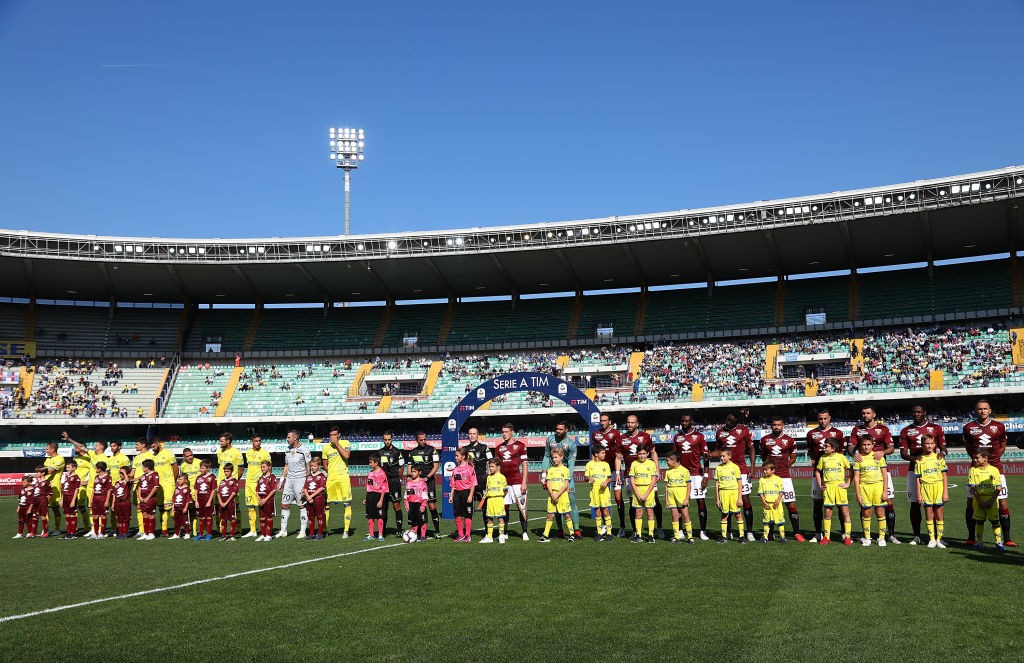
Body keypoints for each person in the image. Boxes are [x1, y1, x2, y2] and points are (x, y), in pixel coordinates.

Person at [963, 400, 1015, 546]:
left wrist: (991, 461)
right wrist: (978, 462)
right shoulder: (969, 427)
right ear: (976, 411)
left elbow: (1003, 446)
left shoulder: (999, 426)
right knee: (970, 503)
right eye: (979, 409)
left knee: (1002, 502)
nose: (982, 411)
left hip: (996, 469)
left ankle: (1008, 539)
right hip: (975, 471)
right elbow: (968, 447)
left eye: (985, 409)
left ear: (990, 410)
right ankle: (971, 537)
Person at [849, 406, 899, 544]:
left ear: (874, 414)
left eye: (868, 413)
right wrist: (855, 455)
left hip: (880, 470)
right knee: (865, 507)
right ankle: (867, 535)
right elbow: (850, 447)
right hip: (864, 470)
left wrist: (883, 452)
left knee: (888, 502)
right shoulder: (857, 429)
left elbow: (891, 447)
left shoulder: (883, 429)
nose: (865, 415)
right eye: (863, 413)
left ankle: (891, 534)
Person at [899, 404, 947, 545]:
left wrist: (942, 453)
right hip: (914, 470)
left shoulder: (936, 428)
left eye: (919, 412)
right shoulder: (906, 430)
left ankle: (937, 538)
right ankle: (916, 535)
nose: (916, 414)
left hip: (933, 470)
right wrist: (914, 459)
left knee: (935, 506)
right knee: (915, 504)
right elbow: (903, 453)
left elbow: (943, 447)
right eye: (914, 412)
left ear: (925, 413)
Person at [759, 416, 805, 542]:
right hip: (770, 479)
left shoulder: (789, 440)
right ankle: (770, 533)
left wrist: (785, 466)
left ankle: (797, 533)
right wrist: (770, 469)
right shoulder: (764, 440)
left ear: (783, 425)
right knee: (771, 504)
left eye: (779, 424)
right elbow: (763, 456)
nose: (776, 427)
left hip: (785, 477)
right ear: (771, 426)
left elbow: (793, 457)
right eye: (774, 425)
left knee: (791, 505)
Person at [713, 413, 757, 541]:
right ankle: (729, 531)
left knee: (745, 500)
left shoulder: (743, 430)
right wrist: (709, 454)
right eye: (727, 420)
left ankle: (749, 532)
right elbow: (717, 451)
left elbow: (751, 448)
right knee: (727, 502)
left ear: (736, 420)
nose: (728, 423)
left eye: (731, 421)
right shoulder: (720, 432)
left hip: (742, 470)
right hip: (726, 472)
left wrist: (752, 466)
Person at [806, 409, 846, 542]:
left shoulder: (838, 433)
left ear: (830, 418)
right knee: (817, 504)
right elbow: (810, 450)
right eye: (820, 419)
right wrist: (813, 458)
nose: (823, 421)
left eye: (825, 418)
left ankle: (844, 533)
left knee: (840, 506)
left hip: (835, 477)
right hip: (818, 474)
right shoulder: (811, 433)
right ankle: (818, 533)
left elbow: (842, 453)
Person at [621, 414, 663, 539]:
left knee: (655, 500)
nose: (629, 425)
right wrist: (618, 473)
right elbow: (618, 457)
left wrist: (657, 469)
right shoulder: (622, 438)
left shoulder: (645, 436)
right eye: (628, 422)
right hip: (631, 475)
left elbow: (654, 452)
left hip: (648, 475)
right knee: (633, 504)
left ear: (637, 424)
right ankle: (636, 531)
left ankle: (659, 527)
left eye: (632, 422)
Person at [673, 413, 710, 540]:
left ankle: (703, 531)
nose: (684, 423)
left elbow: (706, 457)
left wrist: (705, 476)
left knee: (701, 502)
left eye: (686, 421)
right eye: (682, 421)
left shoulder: (699, 436)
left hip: (696, 474)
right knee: (680, 504)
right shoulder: (677, 437)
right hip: (682, 475)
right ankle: (680, 530)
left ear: (691, 421)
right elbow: (674, 457)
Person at [541, 421, 581, 538]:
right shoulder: (550, 439)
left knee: (571, 502)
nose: (558, 431)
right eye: (556, 429)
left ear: (566, 430)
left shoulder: (571, 444)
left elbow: (571, 464)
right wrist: (544, 476)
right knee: (555, 501)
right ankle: (560, 530)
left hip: (566, 473)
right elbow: (547, 456)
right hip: (553, 474)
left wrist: (567, 480)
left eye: (560, 429)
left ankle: (576, 529)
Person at [591, 413, 626, 537]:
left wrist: (617, 473)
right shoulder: (596, 434)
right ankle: (605, 525)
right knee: (601, 499)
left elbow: (618, 455)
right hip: (600, 472)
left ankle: (622, 526)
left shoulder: (616, 433)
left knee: (618, 498)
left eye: (604, 420)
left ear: (610, 421)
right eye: (601, 420)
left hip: (613, 470)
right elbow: (594, 453)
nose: (602, 422)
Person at [852, 435, 889, 547]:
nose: (866, 447)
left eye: (868, 444)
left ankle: (881, 538)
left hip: (878, 487)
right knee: (866, 512)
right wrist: (858, 494)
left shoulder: (878, 457)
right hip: (864, 488)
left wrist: (885, 491)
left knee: (880, 512)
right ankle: (867, 537)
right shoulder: (858, 458)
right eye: (864, 445)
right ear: (860, 446)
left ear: (873, 445)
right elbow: (857, 478)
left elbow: (885, 475)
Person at [495, 423, 529, 540]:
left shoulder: (520, 446)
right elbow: (497, 467)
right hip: (504, 483)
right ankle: (505, 532)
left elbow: (525, 465)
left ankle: (524, 532)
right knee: (504, 508)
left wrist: (524, 482)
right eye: (502, 432)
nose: (504, 434)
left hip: (518, 481)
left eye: (506, 432)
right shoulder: (499, 448)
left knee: (522, 507)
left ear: (512, 432)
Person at [815, 440, 852, 546]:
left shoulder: (841, 457)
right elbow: (817, 471)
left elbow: (851, 469)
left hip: (840, 487)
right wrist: (820, 484)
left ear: (833, 448)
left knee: (845, 512)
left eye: (826, 446)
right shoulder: (823, 458)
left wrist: (848, 483)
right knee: (827, 513)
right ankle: (826, 537)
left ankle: (847, 537)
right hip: (828, 488)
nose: (824, 448)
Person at [406, 431, 442, 539]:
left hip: (428, 482)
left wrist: (427, 477)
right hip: (416, 484)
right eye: (421, 440)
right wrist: (410, 477)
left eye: (425, 439)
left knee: (431, 506)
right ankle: (418, 532)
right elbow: (409, 469)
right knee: (416, 506)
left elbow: (436, 466)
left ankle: (437, 531)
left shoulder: (432, 450)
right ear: (416, 440)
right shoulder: (412, 452)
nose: (423, 441)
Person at [915, 434, 949, 548]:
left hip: (938, 487)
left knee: (939, 513)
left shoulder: (939, 458)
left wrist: (945, 492)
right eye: (927, 444)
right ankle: (932, 539)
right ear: (922, 445)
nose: (929, 446)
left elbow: (944, 476)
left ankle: (939, 539)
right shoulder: (919, 460)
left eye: (931, 443)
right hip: (926, 488)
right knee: (928, 513)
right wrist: (918, 494)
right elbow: (918, 479)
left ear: (935, 445)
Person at [967, 450, 1004, 551]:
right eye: (974, 457)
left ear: (985, 458)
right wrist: (979, 501)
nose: (974, 460)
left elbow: (999, 487)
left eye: (977, 458)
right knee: (979, 521)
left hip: (992, 499)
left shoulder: (994, 470)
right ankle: (979, 542)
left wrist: (991, 500)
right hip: (978, 499)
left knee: (995, 521)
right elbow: (973, 487)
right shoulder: (973, 470)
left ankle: (999, 543)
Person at [277, 430, 311, 538]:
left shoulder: (304, 449)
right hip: (289, 481)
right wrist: (282, 480)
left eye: (288, 437)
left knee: (302, 505)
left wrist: (307, 483)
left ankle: (302, 531)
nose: (287, 439)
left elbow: (308, 467)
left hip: (300, 480)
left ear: (295, 438)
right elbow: (286, 466)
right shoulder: (287, 450)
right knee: (284, 504)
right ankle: (283, 531)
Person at [321, 426, 353, 537]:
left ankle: (346, 530)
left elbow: (346, 455)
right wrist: (331, 473)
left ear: (339, 435)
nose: (332, 437)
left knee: (347, 504)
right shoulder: (325, 447)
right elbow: (325, 465)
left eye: (334, 435)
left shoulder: (345, 443)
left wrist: (337, 444)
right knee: (327, 504)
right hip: (331, 479)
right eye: (330, 435)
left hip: (343, 478)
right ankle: (325, 530)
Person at [539, 447, 576, 542]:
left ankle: (572, 534)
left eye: (556, 457)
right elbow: (548, 483)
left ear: (561, 457)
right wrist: (552, 494)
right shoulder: (550, 470)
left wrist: (558, 494)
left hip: (562, 495)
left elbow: (566, 485)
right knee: (550, 515)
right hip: (552, 495)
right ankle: (545, 535)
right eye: (553, 457)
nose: (554, 459)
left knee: (566, 515)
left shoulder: (566, 470)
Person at [462, 427, 491, 536]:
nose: (472, 435)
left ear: (477, 435)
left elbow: (490, 462)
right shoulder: (464, 449)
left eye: (474, 433)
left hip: (482, 479)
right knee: (467, 505)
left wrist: (489, 475)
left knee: (485, 506)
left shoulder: (484, 448)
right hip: (469, 481)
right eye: (470, 434)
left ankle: (488, 531)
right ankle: (467, 533)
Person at [148, 436, 178, 537]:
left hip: (169, 484)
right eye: (151, 447)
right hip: (158, 486)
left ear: (158, 444)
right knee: (161, 508)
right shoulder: (153, 457)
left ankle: (180, 523)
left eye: (153, 446)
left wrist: (172, 481)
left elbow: (175, 468)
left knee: (168, 506)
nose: (152, 448)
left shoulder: (168, 454)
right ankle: (164, 530)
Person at [628, 445, 658, 543]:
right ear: (637, 454)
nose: (642, 456)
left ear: (648, 454)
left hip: (648, 490)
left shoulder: (652, 464)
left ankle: (651, 535)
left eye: (644, 454)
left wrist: (646, 494)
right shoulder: (634, 464)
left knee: (650, 512)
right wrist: (637, 493)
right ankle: (639, 535)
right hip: (637, 490)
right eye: (640, 454)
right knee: (638, 512)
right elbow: (632, 480)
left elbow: (653, 480)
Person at [242, 436, 271, 538]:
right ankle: (253, 530)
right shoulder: (248, 453)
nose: (258, 443)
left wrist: (268, 481)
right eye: (256, 441)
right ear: (252, 442)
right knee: (250, 506)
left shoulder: (265, 453)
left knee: (261, 507)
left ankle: (265, 530)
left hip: (259, 484)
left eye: (259, 441)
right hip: (248, 483)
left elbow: (268, 468)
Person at [377, 430, 405, 537]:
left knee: (396, 506)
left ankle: (399, 530)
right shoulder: (379, 452)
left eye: (389, 439)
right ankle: (382, 530)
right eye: (385, 440)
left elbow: (402, 467)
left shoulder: (398, 452)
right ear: (383, 440)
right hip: (383, 483)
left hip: (394, 482)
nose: (387, 441)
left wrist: (397, 478)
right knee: (383, 507)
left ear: (392, 439)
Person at [714, 449, 744, 544]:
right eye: (721, 456)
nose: (722, 458)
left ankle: (742, 536)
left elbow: (739, 483)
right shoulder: (718, 468)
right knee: (724, 514)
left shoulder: (735, 467)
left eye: (724, 456)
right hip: (723, 493)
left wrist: (740, 497)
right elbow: (717, 483)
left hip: (734, 493)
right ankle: (724, 537)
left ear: (729, 456)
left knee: (737, 514)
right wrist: (718, 498)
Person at [217, 432, 244, 535]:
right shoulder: (220, 452)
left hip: (231, 486)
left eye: (221, 441)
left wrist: (234, 481)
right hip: (221, 485)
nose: (220, 443)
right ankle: (222, 531)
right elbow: (221, 467)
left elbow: (241, 468)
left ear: (228, 441)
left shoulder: (237, 452)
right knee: (221, 507)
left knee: (235, 508)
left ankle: (238, 529)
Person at [664, 452, 694, 544]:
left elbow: (689, 486)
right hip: (671, 496)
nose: (667, 462)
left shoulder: (684, 471)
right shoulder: (668, 471)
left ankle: (690, 537)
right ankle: (676, 537)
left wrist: (686, 498)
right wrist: (666, 499)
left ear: (673, 461)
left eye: (668, 461)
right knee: (674, 515)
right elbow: (667, 486)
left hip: (681, 496)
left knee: (685, 515)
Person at [584, 446, 613, 541]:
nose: (605, 454)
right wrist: (589, 478)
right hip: (594, 491)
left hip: (604, 492)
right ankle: (599, 533)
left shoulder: (606, 464)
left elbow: (610, 477)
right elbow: (585, 478)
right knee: (597, 511)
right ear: (596, 454)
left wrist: (606, 482)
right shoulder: (589, 464)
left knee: (605, 510)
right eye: (603, 453)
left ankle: (609, 533)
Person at [449, 448, 478, 542]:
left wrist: (470, 495)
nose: (455, 457)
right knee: (457, 514)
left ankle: (468, 535)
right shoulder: (455, 469)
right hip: (457, 494)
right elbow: (453, 484)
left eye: (457, 455)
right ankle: (460, 534)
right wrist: (451, 495)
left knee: (467, 514)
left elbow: (473, 483)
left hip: (466, 492)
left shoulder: (470, 468)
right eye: (455, 455)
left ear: (463, 456)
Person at [479, 459, 509, 544]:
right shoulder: (488, 477)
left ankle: (501, 535)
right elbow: (487, 489)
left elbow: (505, 490)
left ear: (498, 467)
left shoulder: (502, 477)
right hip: (490, 500)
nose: (490, 468)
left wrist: (500, 496)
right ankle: (489, 536)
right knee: (489, 518)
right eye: (489, 466)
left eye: (492, 466)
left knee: (500, 518)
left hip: (498, 499)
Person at [105, 440, 130, 536]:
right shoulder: (109, 458)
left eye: (114, 446)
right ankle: (114, 528)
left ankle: (124, 529)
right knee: (113, 509)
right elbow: (108, 473)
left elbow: (130, 471)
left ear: (119, 447)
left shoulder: (124, 458)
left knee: (122, 509)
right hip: (112, 486)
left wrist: (126, 483)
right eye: (111, 446)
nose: (112, 448)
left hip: (122, 487)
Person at [757, 461, 786, 543]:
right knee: (766, 521)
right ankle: (765, 537)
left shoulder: (778, 479)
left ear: (773, 470)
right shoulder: (762, 480)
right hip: (767, 504)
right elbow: (761, 493)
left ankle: (782, 537)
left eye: (766, 470)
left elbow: (781, 491)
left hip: (777, 504)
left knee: (780, 520)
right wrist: (764, 503)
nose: (764, 471)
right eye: (763, 470)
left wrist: (777, 501)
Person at [130, 438, 154, 538]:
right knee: (139, 508)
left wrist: (138, 478)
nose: (135, 446)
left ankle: (150, 531)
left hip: (147, 488)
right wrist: (129, 480)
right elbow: (133, 472)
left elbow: (151, 472)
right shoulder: (136, 458)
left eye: (137, 444)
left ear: (143, 445)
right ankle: (142, 530)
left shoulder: (150, 456)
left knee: (149, 511)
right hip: (137, 487)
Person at [42, 441, 65, 536]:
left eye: (47, 449)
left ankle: (57, 529)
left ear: (53, 449)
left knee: (56, 509)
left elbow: (50, 471)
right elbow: (43, 471)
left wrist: (39, 472)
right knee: (44, 508)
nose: (45, 450)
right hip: (45, 487)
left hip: (55, 487)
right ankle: (45, 529)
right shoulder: (47, 460)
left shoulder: (60, 459)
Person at [303, 456, 328, 540]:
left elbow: (321, 488)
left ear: (319, 466)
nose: (312, 468)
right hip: (309, 499)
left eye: (314, 466)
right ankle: (311, 533)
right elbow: (305, 487)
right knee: (310, 516)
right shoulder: (308, 477)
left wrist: (311, 496)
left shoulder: (321, 476)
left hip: (318, 499)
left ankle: (320, 533)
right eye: (311, 466)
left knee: (320, 516)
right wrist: (307, 496)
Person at [364, 453, 388, 541]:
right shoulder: (370, 473)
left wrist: (381, 500)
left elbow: (384, 488)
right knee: (370, 517)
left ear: (376, 463)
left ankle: (380, 535)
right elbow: (369, 487)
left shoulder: (382, 474)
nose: (369, 464)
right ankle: (371, 534)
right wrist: (366, 498)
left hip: (378, 496)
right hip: (370, 496)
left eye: (371, 462)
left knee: (379, 516)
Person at [179, 447, 202, 536]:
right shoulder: (183, 465)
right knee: (192, 512)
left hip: (200, 492)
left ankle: (203, 530)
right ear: (183, 456)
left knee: (201, 512)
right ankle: (194, 531)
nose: (190, 457)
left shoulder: (199, 462)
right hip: (189, 493)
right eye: (188, 456)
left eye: (191, 455)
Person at [194, 460, 217, 541]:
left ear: (208, 468)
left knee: (209, 517)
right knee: (202, 517)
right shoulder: (198, 477)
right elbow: (196, 490)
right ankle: (200, 534)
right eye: (200, 468)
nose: (201, 469)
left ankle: (209, 534)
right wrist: (196, 501)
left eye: (202, 468)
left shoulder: (212, 477)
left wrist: (209, 501)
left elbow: (213, 490)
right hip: (200, 500)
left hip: (208, 499)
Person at [255, 461, 278, 542]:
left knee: (268, 517)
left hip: (268, 500)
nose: (262, 469)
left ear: (269, 467)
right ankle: (263, 534)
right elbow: (257, 490)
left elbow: (273, 490)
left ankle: (268, 535)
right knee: (262, 518)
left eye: (264, 467)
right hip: (261, 500)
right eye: (261, 467)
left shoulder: (272, 477)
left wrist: (265, 499)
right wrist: (259, 498)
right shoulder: (260, 478)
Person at [137, 459, 160, 541]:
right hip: (142, 498)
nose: (142, 468)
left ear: (147, 467)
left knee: (151, 515)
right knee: (144, 514)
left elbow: (156, 487)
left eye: (143, 466)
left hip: (150, 498)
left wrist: (148, 497)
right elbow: (139, 486)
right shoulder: (143, 476)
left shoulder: (155, 475)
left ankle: (152, 533)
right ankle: (146, 533)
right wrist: (139, 496)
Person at [405, 465, 429, 541]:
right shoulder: (409, 483)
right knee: (414, 522)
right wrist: (406, 504)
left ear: (419, 472)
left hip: (420, 504)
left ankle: (423, 536)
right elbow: (406, 495)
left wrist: (423, 505)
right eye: (412, 471)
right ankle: (414, 535)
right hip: (411, 504)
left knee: (422, 521)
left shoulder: (422, 483)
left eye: (414, 472)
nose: (412, 473)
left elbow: (425, 495)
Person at [90, 461, 113, 539]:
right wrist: (91, 499)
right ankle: (95, 533)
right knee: (95, 515)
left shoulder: (107, 477)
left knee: (103, 515)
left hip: (102, 497)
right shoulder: (96, 477)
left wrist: (107, 501)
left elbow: (109, 490)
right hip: (95, 498)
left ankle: (101, 533)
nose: (95, 469)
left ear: (99, 469)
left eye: (96, 468)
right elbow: (93, 489)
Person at [60, 459, 82, 538]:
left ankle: (73, 532)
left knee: (72, 514)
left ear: (74, 468)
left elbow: (76, 489)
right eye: (66, 467)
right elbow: (64, 489)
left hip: (71, 497)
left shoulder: (76, 477)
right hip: (65, 497)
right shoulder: (67, 476)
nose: (67, 469)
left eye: (69, 467)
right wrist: (62, 499)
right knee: (67, 514)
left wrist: (73, 500)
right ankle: (68, 532)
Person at [218, 462, 240, 541]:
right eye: (225, 471)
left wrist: (226, 502)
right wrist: (221, 502)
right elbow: (219, 493)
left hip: (230, 503)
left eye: (228, 471)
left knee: (232, 519)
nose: (226, 473)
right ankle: (223, 535)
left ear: (232, 471)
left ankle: (232, 536)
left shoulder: (234, 481)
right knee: (223, 519)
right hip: (222, 503)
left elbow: (233, 493)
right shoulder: (222, 481)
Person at [170, 474, 192, 539]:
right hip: (176, 507)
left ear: (185, 480)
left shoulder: (187, 489)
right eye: (178, 479)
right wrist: (173, 506)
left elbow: (188, 499)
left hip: (183, 507)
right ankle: (176, 534)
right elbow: (174, 497)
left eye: (180, 479)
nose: (178, 481)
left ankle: (187, 533)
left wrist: (186, 507)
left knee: (185, 521)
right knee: (176, 521)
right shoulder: (177, 488)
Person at [113, 467, 132, 539]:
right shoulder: (117, 483)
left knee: (126, 518)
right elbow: (114, 494)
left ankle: (125, 532)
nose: (121, 475)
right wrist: (113, 504)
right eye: (120, 473)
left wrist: (124, 472)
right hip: (118, 503)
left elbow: (127, 480)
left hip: (125, 502)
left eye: (122, 473)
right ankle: (121, 532)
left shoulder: (128, 481)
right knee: (119, 518)